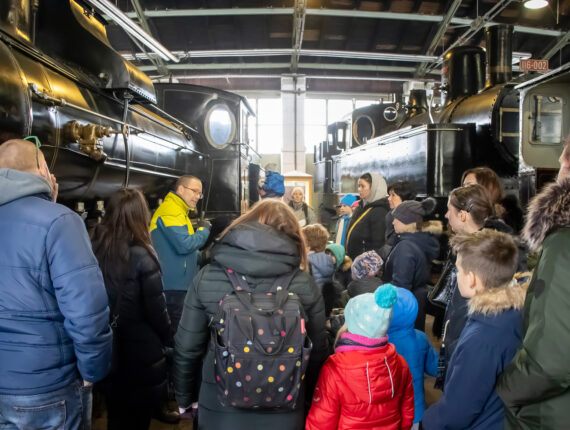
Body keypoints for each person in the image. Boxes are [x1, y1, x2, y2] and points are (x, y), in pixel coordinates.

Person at [172, 200, 328, 429]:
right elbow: (317, 353)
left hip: (220, 408)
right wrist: (309, 399)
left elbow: (187, 348)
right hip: (286, 408)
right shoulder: (304, 283)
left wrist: (185, 399)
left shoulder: (208, 276)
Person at [0, 139, 112, 429]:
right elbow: (87, 311)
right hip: (46, 386)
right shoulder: (60, 221)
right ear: (42, 170)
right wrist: (92, 371)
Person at [496, 137, 570, 430]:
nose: (560, 164)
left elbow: (550, 363)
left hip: (551, 415)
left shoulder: (564, 243)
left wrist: (506, 389)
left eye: (565, 157)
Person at [423, 229, 526, 430]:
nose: (457, 275)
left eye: (459, 270)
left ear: (472, 279)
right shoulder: (510, 312)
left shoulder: (482, 338)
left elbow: (456, 412)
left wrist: (426, 423)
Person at [91, 189, 172, 430]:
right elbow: (156, 311)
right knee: (137, 420)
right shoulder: (142, 255)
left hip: (106, 345)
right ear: (140, 215)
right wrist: (169, 338)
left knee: (115, 415)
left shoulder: (94, 247)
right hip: (139, 352)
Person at [305, 284, 414, 430]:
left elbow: (322, 422)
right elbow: (407, 410)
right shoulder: (400, 363)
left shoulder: (335, 369)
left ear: (351, 325)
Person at [150, 175, 210, 336]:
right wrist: (204, 230)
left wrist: (202, 256)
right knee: (177, 334)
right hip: (172, 288)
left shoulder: (179, 211)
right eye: (194, 191)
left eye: (200, 193)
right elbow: (184, 245)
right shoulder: (171, 211)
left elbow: (182, 249)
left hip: (178, 286)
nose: (197, 196)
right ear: (181, 189)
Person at [382, 198, 441, 331]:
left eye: (396, 218)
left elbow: (400, 288)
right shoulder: (417, 241)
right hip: (416, 303)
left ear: (407, 221)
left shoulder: (406, 247)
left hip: (404, 310)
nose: (393, 222)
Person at [388, 287, 438, 429]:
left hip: (387, 411)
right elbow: (434, 368)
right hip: (415, 409)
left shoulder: (379, 341)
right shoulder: (421, 338)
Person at [462, 166, 524, 234]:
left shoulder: (509, 217)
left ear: (486, 187)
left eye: (470, 185)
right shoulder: (462, 212)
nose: (464, 190)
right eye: (463, 186)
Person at [344, 173, 390, 260]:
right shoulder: (361, 206)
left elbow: (378, 244)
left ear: (374, 188)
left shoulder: (380, 211)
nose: (359, 189)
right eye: (358, 186)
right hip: (354, 260)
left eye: (363, 186)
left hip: (365, 263)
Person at [385, 181, 417, 252]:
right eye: (389, 195)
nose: (389, 198)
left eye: (393, 195)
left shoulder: (409, 220)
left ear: (404, 199)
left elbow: (390, 247)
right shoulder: (391, 214)